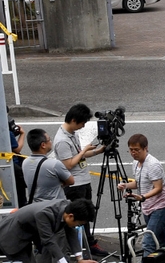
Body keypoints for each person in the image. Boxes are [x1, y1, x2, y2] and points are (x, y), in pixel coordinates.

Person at [52, 103, 108, 256]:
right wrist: (83, 150)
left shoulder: (72, 133)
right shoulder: (62, 140)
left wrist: (98, 151)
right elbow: (68, 164)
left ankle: (87, 243)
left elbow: (78, 155)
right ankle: (84, 247)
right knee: (79, 217)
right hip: (75, 184)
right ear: (74, 120)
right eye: (82, 123)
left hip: (83, 181)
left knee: (86, 215)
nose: (83, 127)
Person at [117, 134, 165, 260]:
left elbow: (158, 188)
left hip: (160, 207)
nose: (133, 153)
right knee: (162, 240)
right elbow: (139, 182)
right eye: (131, 150)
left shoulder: (153, 165)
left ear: (145, 148)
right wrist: (125, 185)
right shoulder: (136, 163)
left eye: (136, 150)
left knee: (148, 241)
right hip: (147, 207)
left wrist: (142, 197)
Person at [0, 198, 98, 263]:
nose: (77, 226)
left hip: (27, 236)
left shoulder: (67, 207)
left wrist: (79, 259)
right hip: (11, 237)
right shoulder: (44, 214)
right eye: (79, 224)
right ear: (71, 216)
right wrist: (63, 261)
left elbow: (70, 232)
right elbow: (48, 240)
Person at [22, 128, 74, 202]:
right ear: (43, 145)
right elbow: (71, 181)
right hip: (55, 207)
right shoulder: (54, 164)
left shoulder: (25, 162)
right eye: (49, 140)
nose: (51, 142)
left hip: (36, 207)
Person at [8, 115, 26, 208]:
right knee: (20, 195)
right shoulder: (7, 132)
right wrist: (22, 134)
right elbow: (17, 149)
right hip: (13, 165)